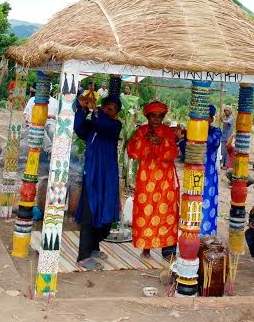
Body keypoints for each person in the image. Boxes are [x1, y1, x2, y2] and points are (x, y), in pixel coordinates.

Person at [74, 95, 122, 270]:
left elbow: (104, 126)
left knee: (106, 212)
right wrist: (83, 108)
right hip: (92, 174)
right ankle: (83, 256)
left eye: (112, 108)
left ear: (117, 113)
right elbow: (78, 128)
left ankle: (94, 247)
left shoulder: (115, 125)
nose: (108, 110)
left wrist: (95, 111)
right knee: (89, 212)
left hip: (108, 176)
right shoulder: (93, 124)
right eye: (106, 106)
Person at [127, 101, 179, 260]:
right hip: (146, 177)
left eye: (160, 116)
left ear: (163, 117)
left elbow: (173, 153)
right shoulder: (141, 131)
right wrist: (144, 140)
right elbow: (132, 152)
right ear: (148, 116)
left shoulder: (168, 132)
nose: (156, 119)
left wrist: (162, 143)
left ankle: (168, 251)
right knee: (146, 212)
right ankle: (146, 247)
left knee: (168, 212)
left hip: (165, 178)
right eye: (153, 116)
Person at [200, 105, 222, 235]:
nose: (203, 121)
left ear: (211, 119)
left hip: (209, 174)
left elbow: (211, 142)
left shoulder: (216, 131)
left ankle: (206, 234)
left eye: (205, 118)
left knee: (207, 202)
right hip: (193, 173)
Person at [24, 92, 59, 160]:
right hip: (35, 122)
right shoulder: (32, 99)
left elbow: (59, 117)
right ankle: (50, 151)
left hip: (50, 122)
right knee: (40, 131)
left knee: (52, 130)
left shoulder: (55, 101)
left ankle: (55, 151)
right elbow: (25, 114)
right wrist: (29, 120)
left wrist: (52, 116)